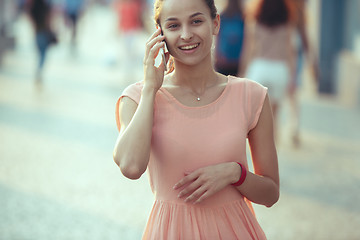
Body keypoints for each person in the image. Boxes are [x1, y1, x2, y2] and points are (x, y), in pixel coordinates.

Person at [113, 0, 279, 239]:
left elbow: (271, 194)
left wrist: (235, 173)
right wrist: (151, 88)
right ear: (159, 34)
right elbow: (130, 166)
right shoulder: (138, 97)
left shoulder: (251, 95)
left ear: (215, 23)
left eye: (196, 21)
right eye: (173, 26)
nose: (186, 35)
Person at [239, 0, 296, 141]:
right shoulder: (287, 21)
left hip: (259, 68)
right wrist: (292, 76)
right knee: (274, 117)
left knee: (256, 118)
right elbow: (290, 51)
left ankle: (257, 152)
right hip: (279, 69)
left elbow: (248, 51)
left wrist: (242, 72)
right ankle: (273, 152)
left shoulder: (254, 20)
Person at [28, 0, 57, 82]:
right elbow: (49, 19)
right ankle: (39, 71)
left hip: (37, 32)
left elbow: (30, 16)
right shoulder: (45, 6)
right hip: (44, 32)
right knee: (43, 54)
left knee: (40, 53)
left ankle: (39, 70)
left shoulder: (34, 6)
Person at [215, 0, 245, 76]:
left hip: (225, 59)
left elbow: (218, 37)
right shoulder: (242, 17)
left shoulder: (223, 16)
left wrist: (218, 55)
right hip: (235, 60)